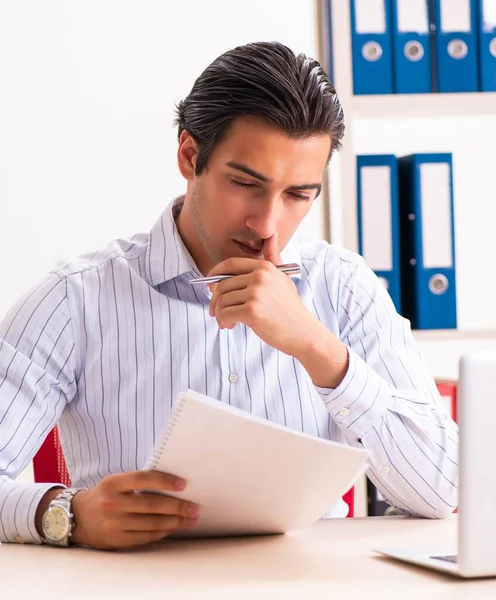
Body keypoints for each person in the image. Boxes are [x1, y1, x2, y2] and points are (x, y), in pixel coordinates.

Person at [0, 41, 458, 550]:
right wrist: (65, 514)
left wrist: (320, 350)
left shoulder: (344, 288)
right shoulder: (75, 301)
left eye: (298, 195)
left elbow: (441, 491)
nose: (267, 224)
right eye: (245, 184)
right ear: (190, 155)